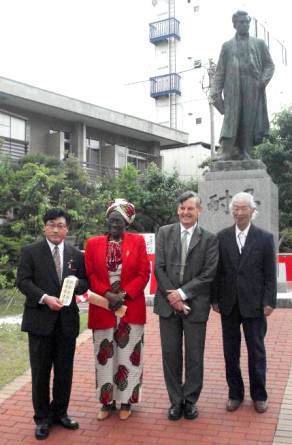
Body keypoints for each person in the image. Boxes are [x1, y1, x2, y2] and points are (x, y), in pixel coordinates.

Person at [16, 208, 88, 440]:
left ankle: (60, 414)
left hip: (67, 322)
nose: (56, 229)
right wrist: (45, 298)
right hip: (39, 321)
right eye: (51, 224)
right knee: (40, 373)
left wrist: (77, 284)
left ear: (67, 229)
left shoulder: (76, 254)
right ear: (45, 227)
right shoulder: (31, 252)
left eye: (61, 225)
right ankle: (42, 418)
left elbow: (85, 283)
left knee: (64, 372)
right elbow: (23, 281)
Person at [154, 191, 219, 420]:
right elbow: (158, 268)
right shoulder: (164, 232)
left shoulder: (209, 239)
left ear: (199, 211)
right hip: (167, 305)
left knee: (194, 355)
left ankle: (190, 400)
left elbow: (208, 274)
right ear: (177, 210)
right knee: (170, 354)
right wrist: (173, 297)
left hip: (195, 306)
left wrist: (181, 294)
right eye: (182, 208)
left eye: (190, 208)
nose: (185, 212)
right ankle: (175, 401)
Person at [85, 199, 150, 421]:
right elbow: (91, 274)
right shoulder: (93, 243)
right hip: (103, 306)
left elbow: (144, 273)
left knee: (129, 356)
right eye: (112, 219)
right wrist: (107, 294)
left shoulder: (138, 242)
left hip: (130, 307)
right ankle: (106, 401)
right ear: (107, 219)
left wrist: (123, 295)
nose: (115, 223)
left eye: (120, 220)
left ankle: (126, 402)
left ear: (127, 222)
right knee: (104, 356)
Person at [212, 192, 277, 413]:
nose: (239, 213)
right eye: (236, 209)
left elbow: (270, 274)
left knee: (256, 351)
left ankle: (259, 395)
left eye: (243, 209)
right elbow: (217, 272)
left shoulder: (265, 238)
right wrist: (214, 299)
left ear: (252, 210)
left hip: (255, 304)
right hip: (228, 304)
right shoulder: (221, 237)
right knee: (231, 351)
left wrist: (269, 301)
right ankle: (235, 393)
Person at [210, 10, 275, 161]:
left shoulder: (259, 43)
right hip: (233, 87)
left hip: (252, 86)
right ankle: (227, 150)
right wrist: (215, 91)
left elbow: (270, 65)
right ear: (235, 24)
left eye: (247, 22)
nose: (245, 25)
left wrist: (262, 82)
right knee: (231, 119)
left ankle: (246, 152)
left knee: (249, 119)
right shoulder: (227, 46)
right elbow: (220, 71)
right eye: (241, 22)